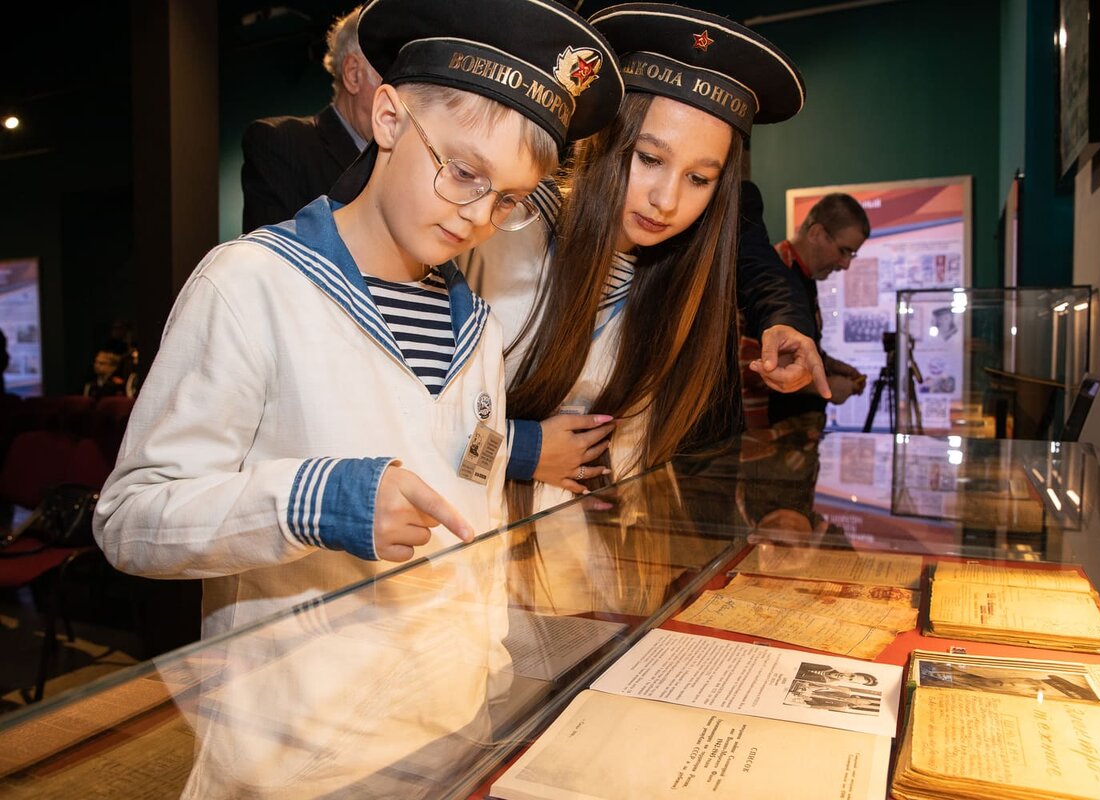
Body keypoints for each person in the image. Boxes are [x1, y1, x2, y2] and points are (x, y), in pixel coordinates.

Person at [94, 0, 622, 638]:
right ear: (390, 118)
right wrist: (310, 503)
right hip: (299, 726)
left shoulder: (479, 327)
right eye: (463, 172)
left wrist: (489, 670)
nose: (479, 218)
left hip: (457, 709)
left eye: (507, 199)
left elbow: (470, 506)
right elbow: (130, 518)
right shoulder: (250, 286)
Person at [467, 3, 825, 517]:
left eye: (699, 179)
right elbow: (407, 425)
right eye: (650, 159)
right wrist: (523, 449)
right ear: (609, 140)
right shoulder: (504, 228)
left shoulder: (671, 280)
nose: (667, 200)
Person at [240, 6, 382, 233]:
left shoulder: (402, 160)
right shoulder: (282, 144)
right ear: (353, 73)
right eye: (391, 80)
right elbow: (276, 261)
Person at [741, 188, 872, 429]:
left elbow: (790, 349)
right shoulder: (767, 278)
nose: (845, 265)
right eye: (844, 251)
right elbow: (748, 367)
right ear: (817, 233)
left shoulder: (805, 278)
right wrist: (823, 386)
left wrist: (829, 365)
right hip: (768, 436)